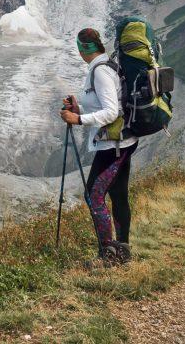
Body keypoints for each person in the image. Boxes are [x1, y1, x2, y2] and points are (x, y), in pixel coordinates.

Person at [59, 27, 137, 266]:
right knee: (118, 194)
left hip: (113, 146)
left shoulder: (101, 71)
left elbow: (111, 111)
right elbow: (107, 106)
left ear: (82, 49)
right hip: (121, 142)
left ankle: (107, 254)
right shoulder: (106, 65)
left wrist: (78, 119)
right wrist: (80, 109)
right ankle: (122, 252)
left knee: (93, 194)